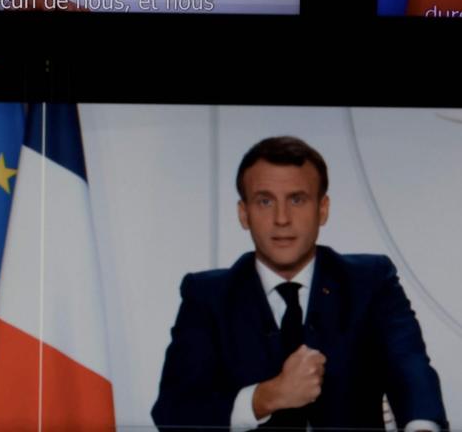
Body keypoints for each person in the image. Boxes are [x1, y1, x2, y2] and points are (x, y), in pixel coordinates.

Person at [151, 136, 448, 432]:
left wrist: (422, 426)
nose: (282, 219)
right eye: (265, 201)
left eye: (297, 199)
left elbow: (410, 369)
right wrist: (265, 397)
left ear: (323, 209)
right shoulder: (206, 296)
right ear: (244, 213)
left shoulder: (371, 281)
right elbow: (173, 411)